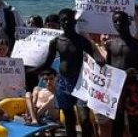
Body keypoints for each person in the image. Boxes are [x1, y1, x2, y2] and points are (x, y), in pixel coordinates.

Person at [44, 9, 104, 137]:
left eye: (69, 19)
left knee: (84, 119)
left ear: (75, 21)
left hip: (81, 82)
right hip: (63, 83)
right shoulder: (56, 42)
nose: (67, 22)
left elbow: (94, 61)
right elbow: (47, 63)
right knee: (69, 119)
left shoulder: (82, 41)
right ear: (60, 22)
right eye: (64, 20)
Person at [101, 12, 138, 137]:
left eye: (122, 21)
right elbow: (108, 66)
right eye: (116, 21)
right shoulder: (110, 44)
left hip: (133, 88)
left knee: (134, 124)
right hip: (115, 88)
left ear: (129, 22)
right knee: (116, 123)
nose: (119, 24)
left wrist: (136, 72)